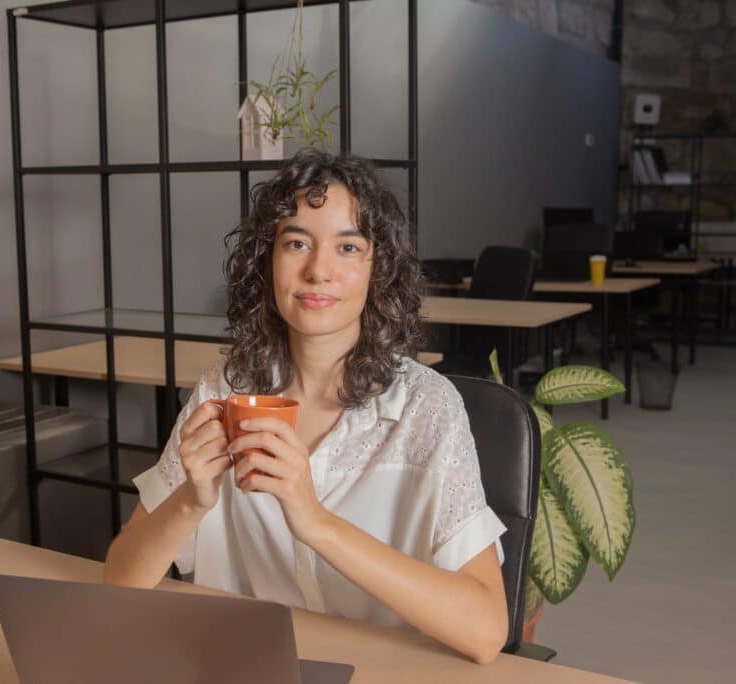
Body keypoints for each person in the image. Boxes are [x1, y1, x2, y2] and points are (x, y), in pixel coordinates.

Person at [104, 149, 508, 664]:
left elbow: (485, 629)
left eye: (347, 247)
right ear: (267, 262)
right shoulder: (223, 391)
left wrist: (314, 521)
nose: (318, 271)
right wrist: (190, 500)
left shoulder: (427, 408)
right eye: (297, 243)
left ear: (376, 268)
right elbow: (120, 579)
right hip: (247, 669)